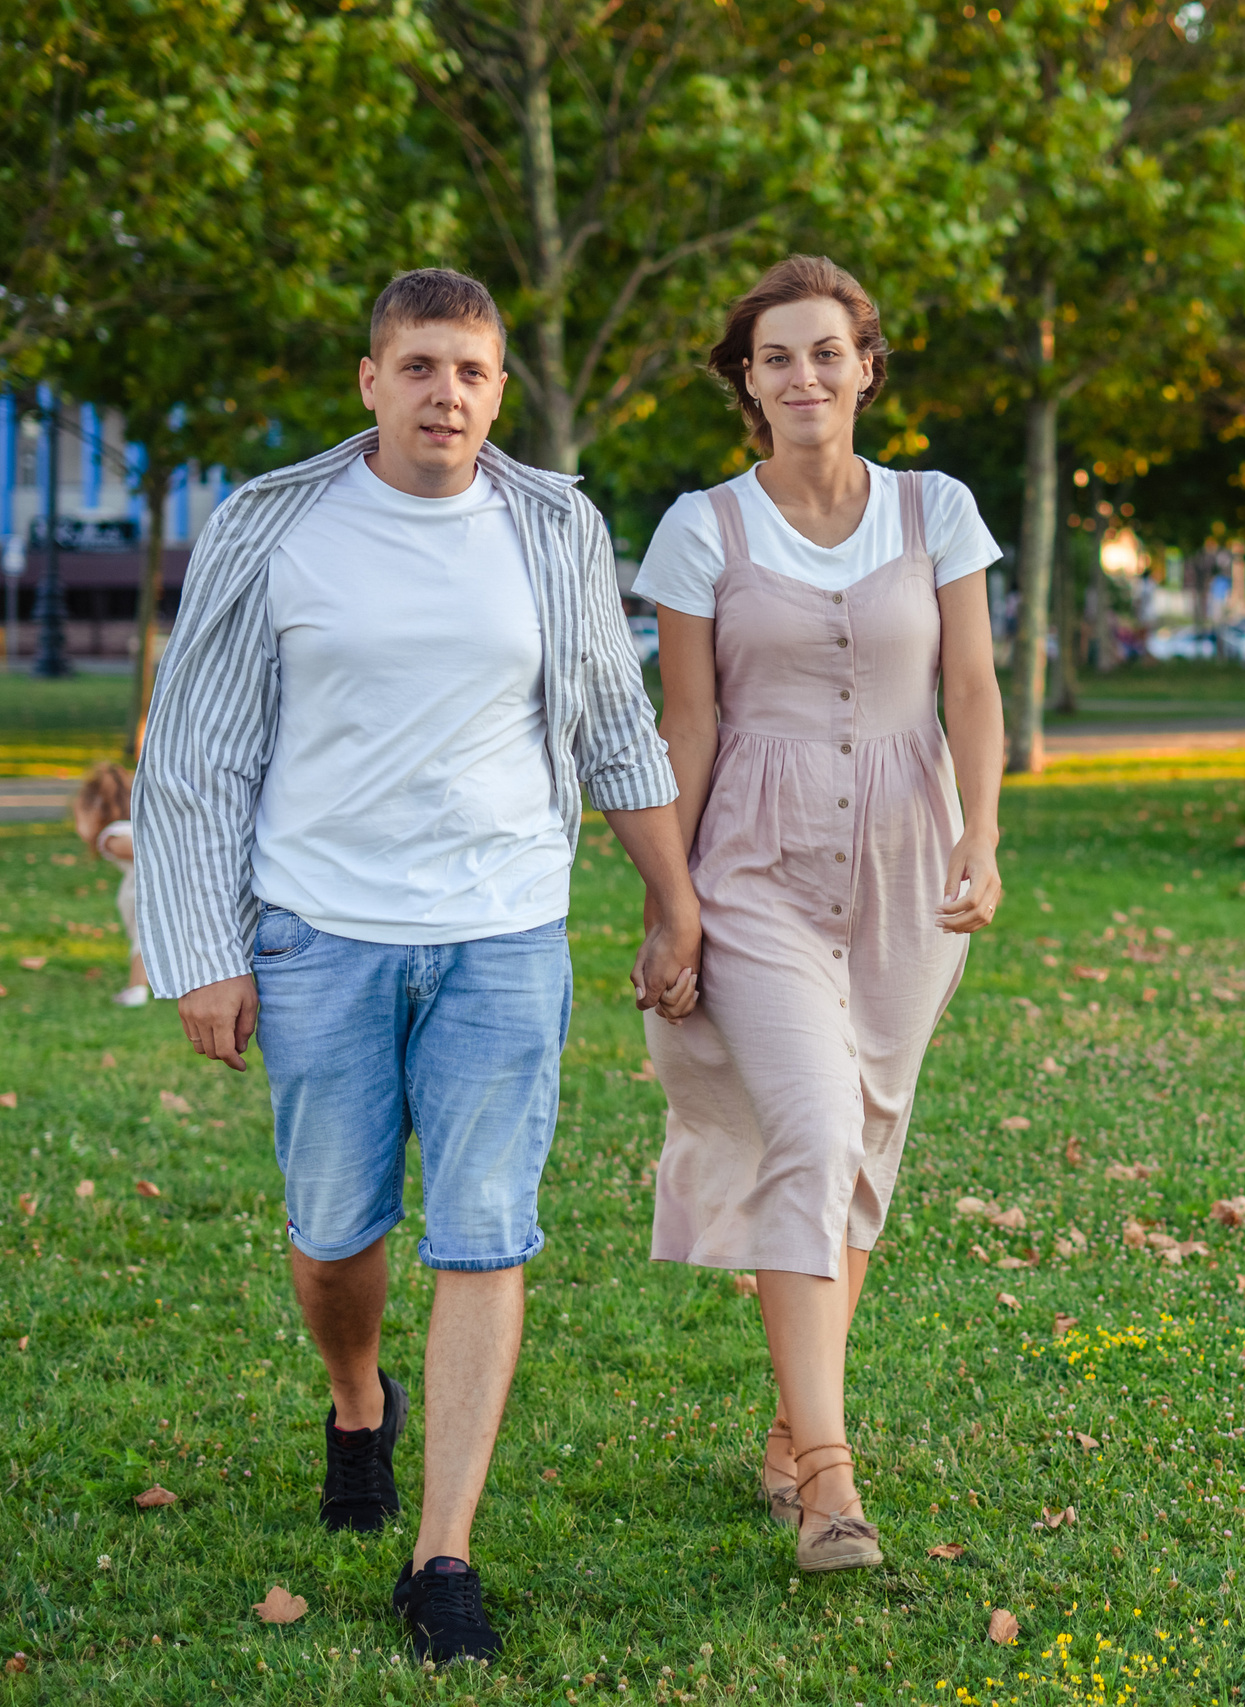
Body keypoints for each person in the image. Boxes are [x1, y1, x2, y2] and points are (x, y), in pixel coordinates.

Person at [133, 268, 701, 1664]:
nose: (448, 392)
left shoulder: (553, 523)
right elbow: (194, 753)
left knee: (485, 1227)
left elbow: (614, 724)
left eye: (474, 371)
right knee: (334, 1230)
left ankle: (443, 1551)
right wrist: (201, 949)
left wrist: (672, 901)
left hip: (503, 927)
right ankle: (351, 1398)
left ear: (501, 390)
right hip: (319, 926)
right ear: (371, 379)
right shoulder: (278, 525)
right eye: (423, 366)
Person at [633, 255, 1006, 1573]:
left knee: (862, 1161)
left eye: (827, 351)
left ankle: (795, 1428)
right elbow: (688, 721)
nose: (805, 375)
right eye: (777, 356)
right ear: (748, 380)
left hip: (912, 869)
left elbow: (969, 685)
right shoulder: (700, 528)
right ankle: (831, 1483)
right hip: (755, 866)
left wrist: (986, 834)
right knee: (810, 1126)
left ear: (866, 366)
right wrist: (670, 899)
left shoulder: (937, 508)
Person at [69, 762, 150, 1006]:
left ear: (93, 811)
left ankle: (137, 991)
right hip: (147, 887)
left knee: (143, 940)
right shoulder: (130, 826)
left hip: (145, 893)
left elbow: (145, 851)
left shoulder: (110, 838)